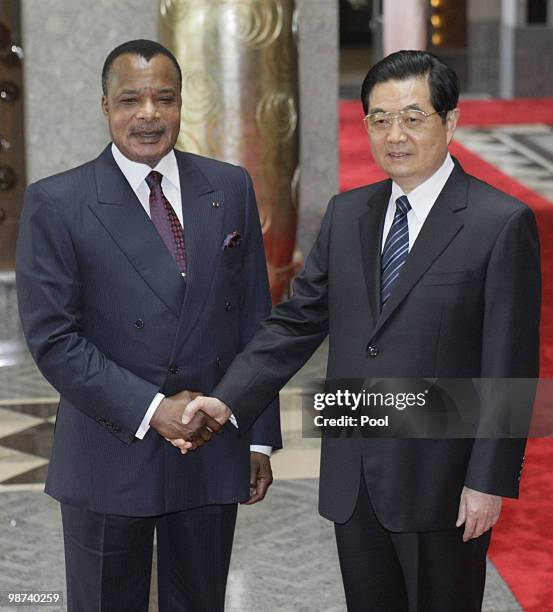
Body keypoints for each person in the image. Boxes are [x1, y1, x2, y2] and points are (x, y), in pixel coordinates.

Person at [180, 51, 541, 611]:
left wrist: (488, 481)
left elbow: (508, 365)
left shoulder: (500, 223)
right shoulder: (349, 214)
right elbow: (298, 320)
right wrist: (228, 399)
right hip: (356, 475)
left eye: (413, 117)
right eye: (379, 118)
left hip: (441, 483)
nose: (395, 134)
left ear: (450, 122)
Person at [16, 39, 281, 612]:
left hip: (209, 439)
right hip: (109, 446)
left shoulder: (229, 187)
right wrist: (149, 409)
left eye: (165, 98)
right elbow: (54, 340)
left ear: (183, 103)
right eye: (131, 99)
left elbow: (256, 320)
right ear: (105, 105)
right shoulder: (58, 202)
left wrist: (256, 435)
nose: (148, 114)